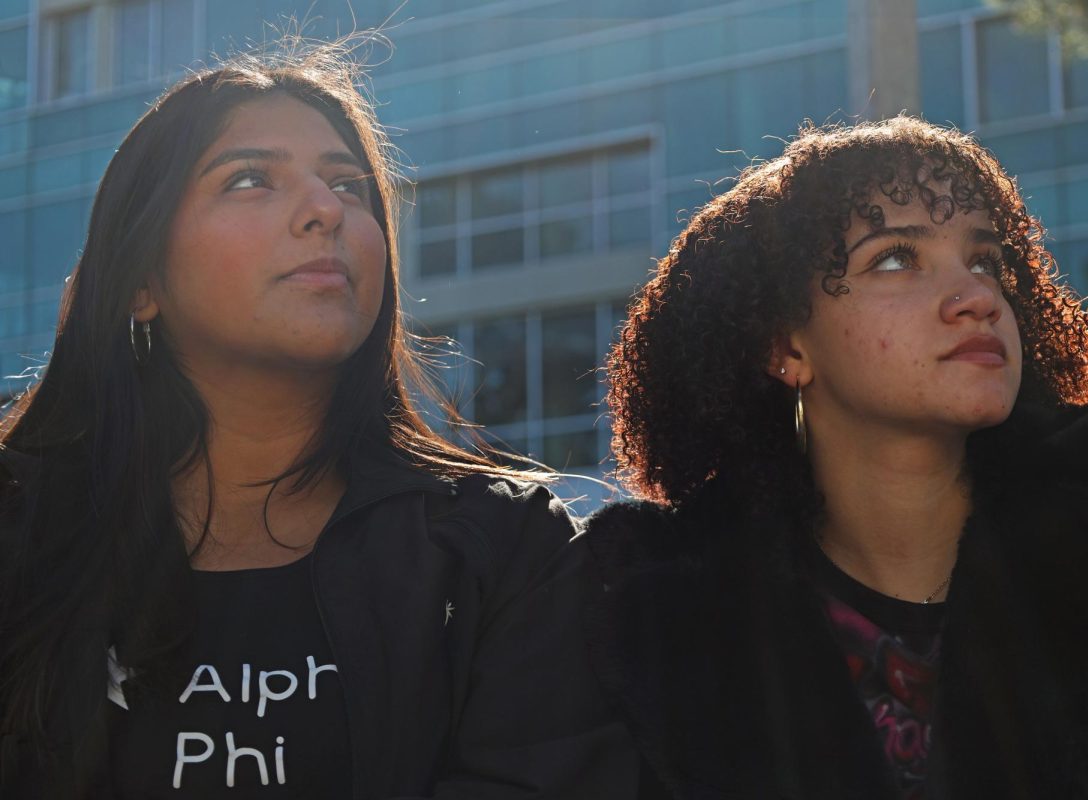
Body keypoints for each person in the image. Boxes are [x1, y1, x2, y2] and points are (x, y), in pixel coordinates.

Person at [0, 41, 636, 799]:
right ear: (141, 282)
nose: (326, 211)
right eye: (248, 179)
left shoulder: (505, 551)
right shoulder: (20, 536)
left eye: (349, 186)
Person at [582, 117, 1088, 799]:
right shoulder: (655, 616)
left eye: (985, 261)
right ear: (786, 349)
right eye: (896, 258)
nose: (978, 298)